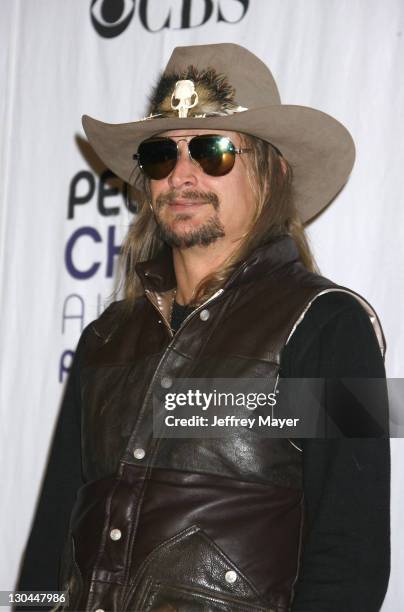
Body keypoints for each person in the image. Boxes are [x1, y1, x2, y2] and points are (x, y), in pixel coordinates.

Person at [18, 43, 390, 612]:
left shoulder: (331, 324)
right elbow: (50, 542)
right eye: (162, 154)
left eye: (213, 152)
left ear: (273, 172)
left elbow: (351, 556)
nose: (182, 176)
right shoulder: (105, 338)